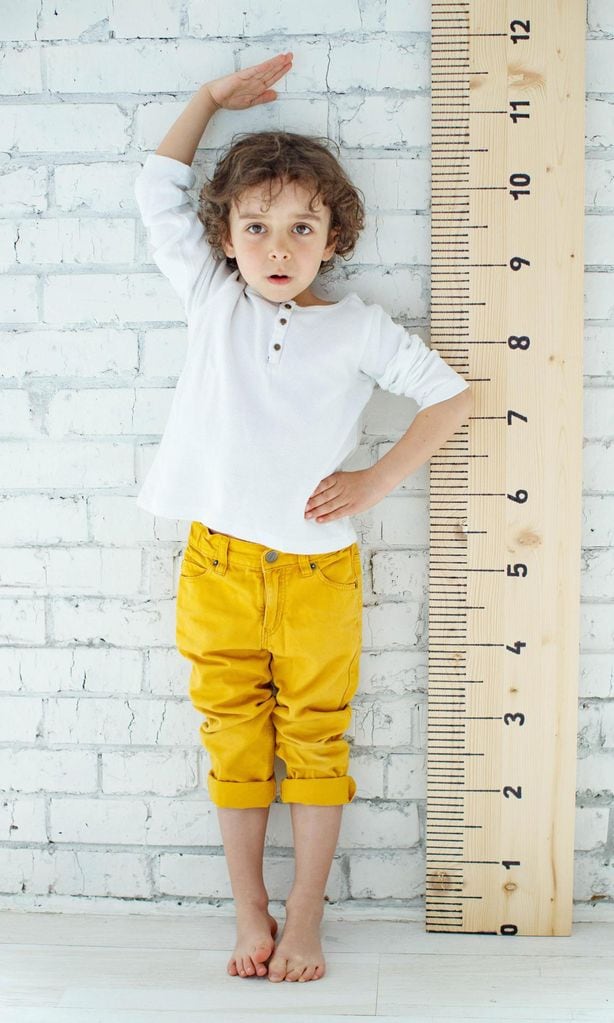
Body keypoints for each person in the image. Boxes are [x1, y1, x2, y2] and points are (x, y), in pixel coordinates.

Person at [133, 52, 472, 984]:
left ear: (332, 237)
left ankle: (309, 917)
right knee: (234, 738)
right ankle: (252, 910)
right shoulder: (213, 301)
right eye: (256, 227)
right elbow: (156, 190)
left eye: (300, 228)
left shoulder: (357, 328)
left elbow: (449, 398)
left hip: (319, 571)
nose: (277, 248)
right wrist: (207, 99)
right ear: (228, 237)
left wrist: (372, 481)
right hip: (217, 567)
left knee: (318, 740)